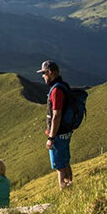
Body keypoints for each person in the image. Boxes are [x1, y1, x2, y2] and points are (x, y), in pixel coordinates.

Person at [38, 60, 73, 189]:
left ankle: (64, 191)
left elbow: (56, 115)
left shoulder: (56, 90)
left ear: (50, 72)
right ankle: (71, 185)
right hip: (66, 130)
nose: (43, 76)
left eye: (44, 73)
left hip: (58, 133)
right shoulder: (63, 85)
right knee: (65, 161)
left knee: (59, 166)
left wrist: (51, 137)